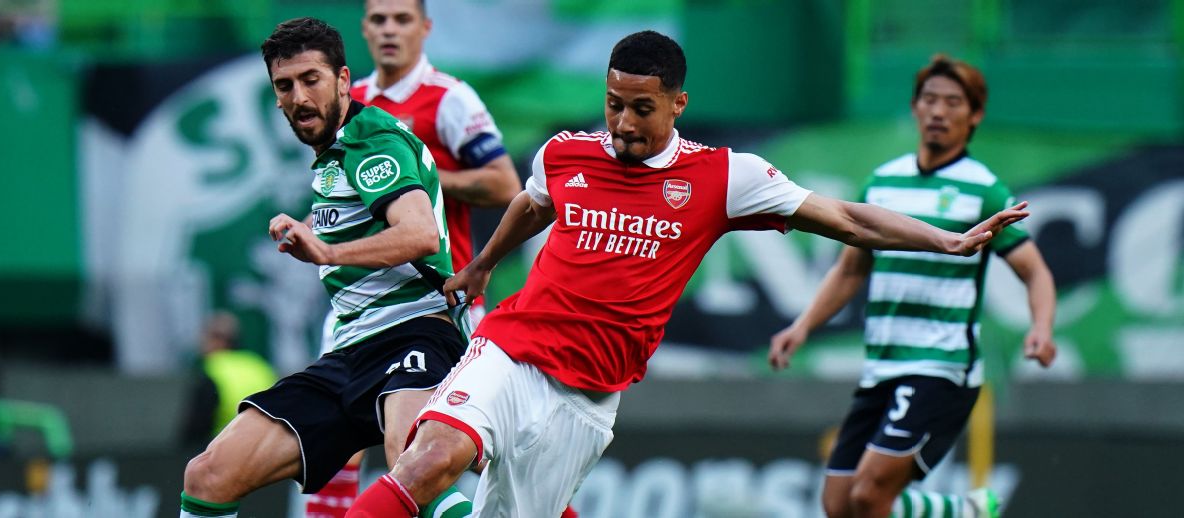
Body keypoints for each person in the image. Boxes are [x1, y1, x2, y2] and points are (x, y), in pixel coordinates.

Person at [346, 31, 1031, 517]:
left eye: (641, 108)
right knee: (430, 455)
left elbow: (850, 219)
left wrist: (944, 240)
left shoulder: (724, 177)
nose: (622, 122)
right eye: (614, 103)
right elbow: (531, 203)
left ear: (678, 103)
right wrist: (483, 265)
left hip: (589, 399)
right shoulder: (567, 153)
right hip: (513, 347)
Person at [178, 17, 471, 518]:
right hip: (349, 353)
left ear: (341, 79)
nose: (297, 97)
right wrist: (308, 227)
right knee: (208, 475)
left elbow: (419, 232)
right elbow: (358, 211)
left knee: (413, 468)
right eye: (284, 85)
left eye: (310, 79)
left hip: (414, 335)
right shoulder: (333, 155)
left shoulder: (370, 139)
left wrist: (328, 252)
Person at [766, 54, 1057, 518]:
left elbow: (1035, 271)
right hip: (882, 364)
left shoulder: (983, 190)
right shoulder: (882, 183)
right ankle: (961, 511)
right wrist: (802, 327)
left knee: (869, 494)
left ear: (974, 114)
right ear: (915, 107)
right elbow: (849, 271)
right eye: (930, 99)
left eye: (953, 102)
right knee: (838, 504)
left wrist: (1041, 326)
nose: (939, 111)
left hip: (940, 366)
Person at [306, 1, 520, 515]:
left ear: (425, 28)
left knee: (455, 454)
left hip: (438, 301)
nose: (389, 30)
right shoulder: (346, 98)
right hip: (358, 305)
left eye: (401, 19)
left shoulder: (449, 98)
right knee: (335, 447)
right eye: (378, 20)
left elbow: (505, 183)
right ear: (363, 29)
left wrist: (414, 175)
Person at [179, 311, 276, 448]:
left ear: (217, 340)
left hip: (223, 447)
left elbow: (196, 427)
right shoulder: (259, 365)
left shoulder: (212, 369)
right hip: (265, 447)